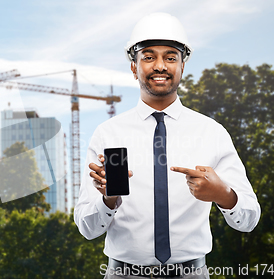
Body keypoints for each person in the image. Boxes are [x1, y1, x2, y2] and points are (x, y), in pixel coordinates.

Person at [74, 13, 261, 279]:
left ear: (182, 66)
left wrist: (222, 194)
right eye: (148, 57)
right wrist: (109, 199)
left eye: (170, 57)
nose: (160, 66)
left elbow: (249, 219)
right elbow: (87, 228)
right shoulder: (108, 134)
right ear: (133, 66)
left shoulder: (212, 132)